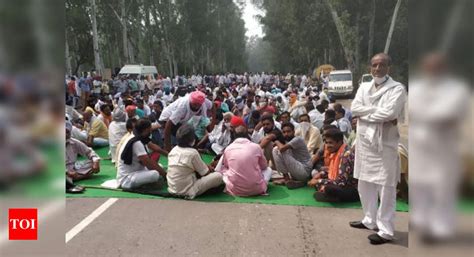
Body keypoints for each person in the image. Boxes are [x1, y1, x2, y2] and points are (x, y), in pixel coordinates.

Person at [350, 53, 407, 245]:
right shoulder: (364, 87)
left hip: (386, 144)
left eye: (382, 65)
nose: (377, 69)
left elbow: (390, 112)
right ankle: (369, 220)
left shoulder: (397, 89)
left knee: (386, 186)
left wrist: (366, 115)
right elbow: (355, 108)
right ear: (370, 68)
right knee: (364, 182)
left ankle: (386, 230)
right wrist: (378, 116)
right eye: (374, 65)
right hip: (365, 141)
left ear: (389, 67)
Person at [166, 124, 224, 199]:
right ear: (191, 139)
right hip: (187, 191)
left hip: (172, 189)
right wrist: (210, 168)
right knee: (218, 176)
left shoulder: (174, 149)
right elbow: (205, 173)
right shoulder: (192, 152)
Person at [216, 126, 272, 196]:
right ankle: (262, 187)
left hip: (235, 190)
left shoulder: (228, 148)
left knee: (223, 170)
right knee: (269, 170)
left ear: (234, 136)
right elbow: (264, 166)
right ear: (247, 135)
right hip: (256, 189)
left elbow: (227, 166)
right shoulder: (256, 147)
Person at [308, 129, 358, 203]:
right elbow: (332, 170)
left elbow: (341, 182)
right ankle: (329, 195)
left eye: (330, 143)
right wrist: (321, 174)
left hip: (351, 187)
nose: (327, 146)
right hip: (341, 182)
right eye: (326, 143)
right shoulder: (335, 152)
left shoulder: (346, 155)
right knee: (317, 175)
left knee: (329, 188)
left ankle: (330, 195)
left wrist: (319, 181)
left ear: (340, 142)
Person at [116, 119, 167, 190]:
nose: (151, 131)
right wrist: (165, 175)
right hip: (127, 178)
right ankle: (146, 185)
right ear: (146, 130)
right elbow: (148, 163)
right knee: (155, 174)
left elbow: (156, 148)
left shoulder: (138, 136)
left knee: (160, 166)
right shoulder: (137, 142)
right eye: (150, 129)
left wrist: (169, 155)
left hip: (137, 171)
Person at [272, 122, 313, 188]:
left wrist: (276, 141)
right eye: (284, 132)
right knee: (277, 150)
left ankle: (287, 179)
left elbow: (282, 149)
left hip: (304, 171)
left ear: (293, 131)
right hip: (296, 171)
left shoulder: (298, 139)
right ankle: (289, 180)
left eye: (288, 131)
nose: (286, 134)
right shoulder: (287, 141)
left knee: (276, 150)